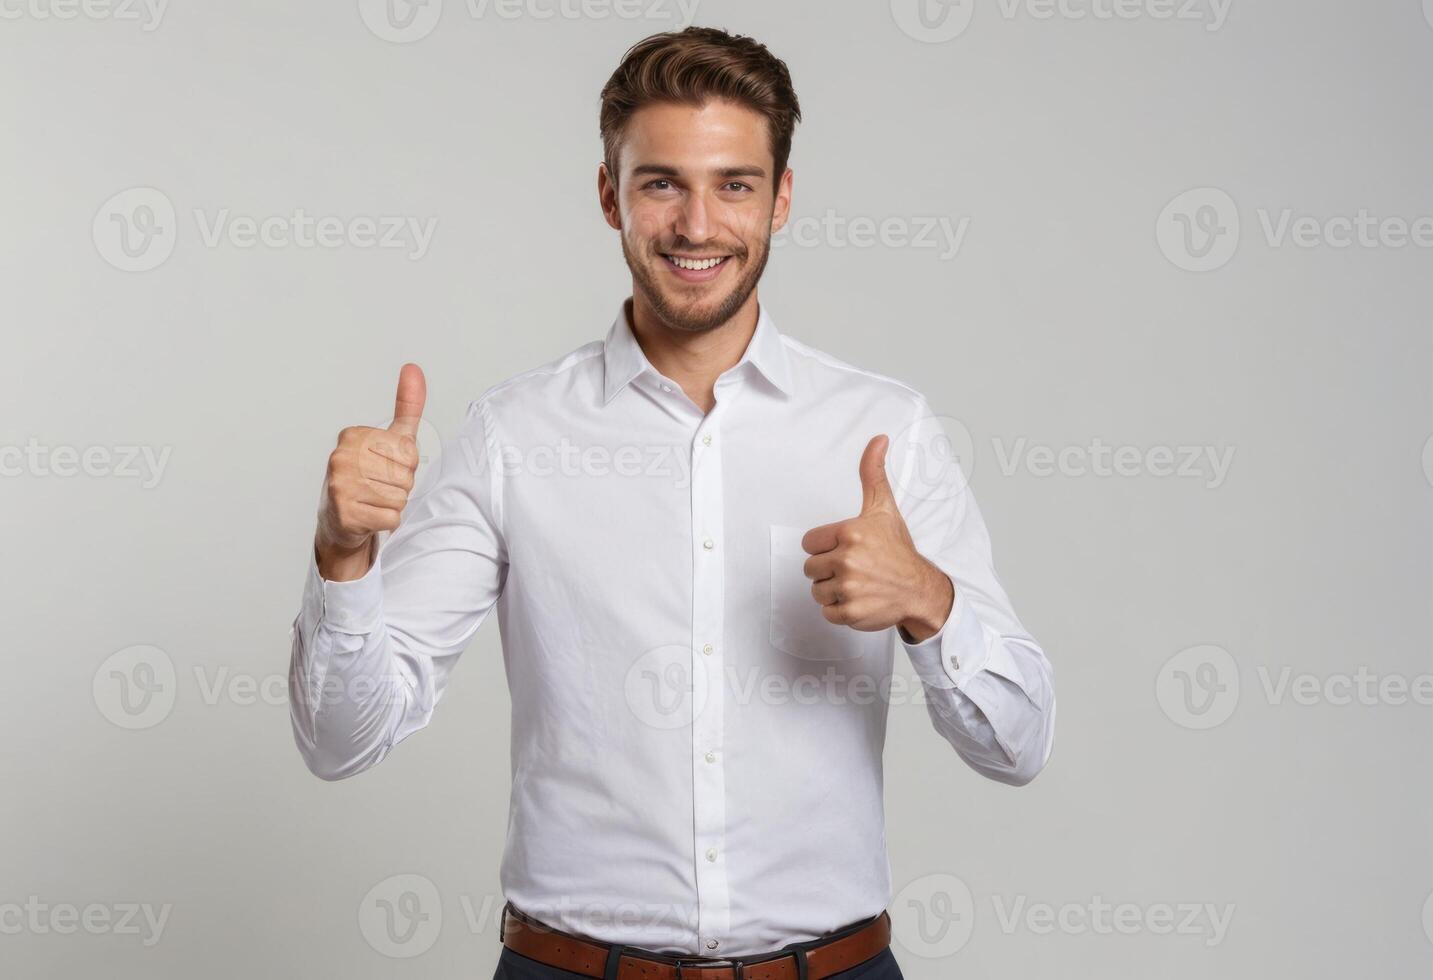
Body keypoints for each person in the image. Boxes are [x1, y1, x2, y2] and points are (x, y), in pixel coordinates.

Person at [288, 26, 1055, 980]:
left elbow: (1018, 746)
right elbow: (338, 743)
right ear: (609, 195)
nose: (697, 225)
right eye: (661, 183)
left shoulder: (881, 430)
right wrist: (344, 559)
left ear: (781, 197)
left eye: (734, 184)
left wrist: (928, 605)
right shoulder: (511, 436)